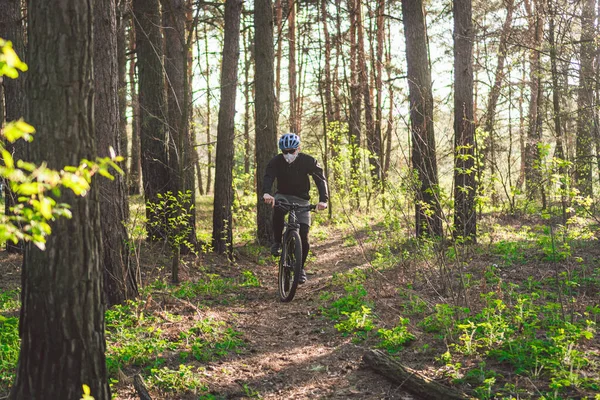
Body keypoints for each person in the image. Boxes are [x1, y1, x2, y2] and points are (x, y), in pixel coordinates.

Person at [262, 133, 329, 284]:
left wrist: (323, 200)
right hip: (283, 195)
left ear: (298, 149)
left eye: (291, 151)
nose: (288, 155)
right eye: (285, 152)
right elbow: (268, 176)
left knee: (304, 235)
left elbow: (320, 179)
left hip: (302, 200)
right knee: (278, 210)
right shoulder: (277, 161)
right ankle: (277, 242)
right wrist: (267, 193)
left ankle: (300, 269)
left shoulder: (308, 161)